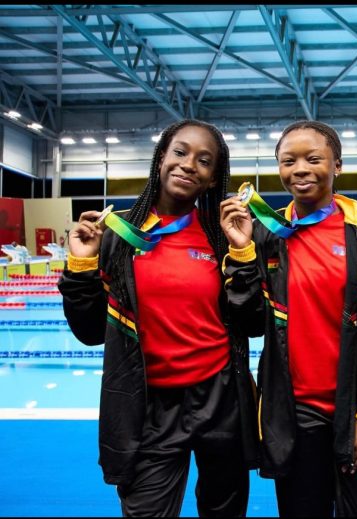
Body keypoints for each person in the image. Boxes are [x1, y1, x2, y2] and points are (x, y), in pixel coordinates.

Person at [58, 119, 259, 517]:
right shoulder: (118, 235)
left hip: (219, 400)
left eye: (204, 161)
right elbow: (90, 332)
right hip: (149, 404)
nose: (189, 165)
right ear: (161, 158)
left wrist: (242, 255)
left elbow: (251, 322)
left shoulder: (221, 235)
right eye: (180, 152)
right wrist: (81, 264)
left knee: (225, 510)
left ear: (213, 177)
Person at [219, 120, 357, 517]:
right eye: (288, 161)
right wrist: (241, 252)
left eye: (313, 158)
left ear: (337, 166)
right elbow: (248, 321)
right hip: (296, 415)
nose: (299, 169)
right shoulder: (266, 235)